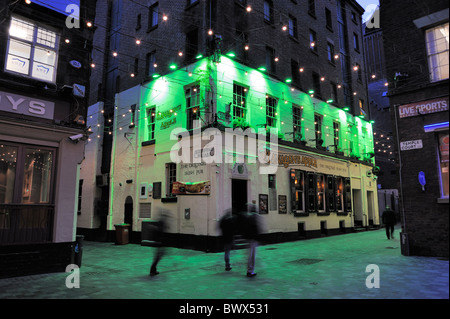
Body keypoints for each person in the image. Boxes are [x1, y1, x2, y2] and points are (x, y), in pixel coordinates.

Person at [149, 210, 169, 276]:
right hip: (159, 242)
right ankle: (152, 270)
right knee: (158, 257)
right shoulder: (162, 222)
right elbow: (160, 232)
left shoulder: (160, 222)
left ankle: (153, 269)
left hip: (159, 241)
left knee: (158, 256)